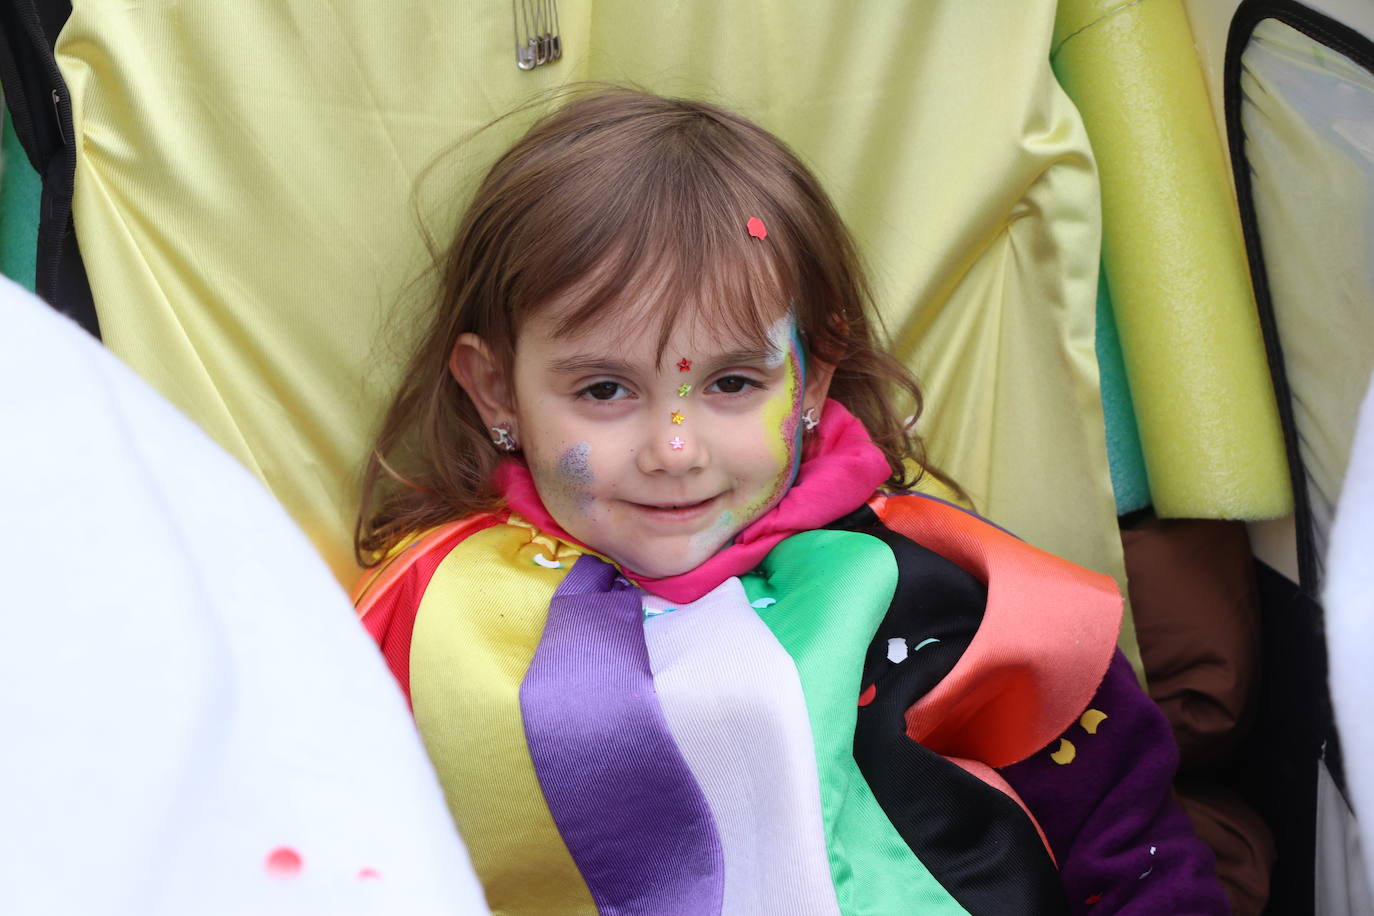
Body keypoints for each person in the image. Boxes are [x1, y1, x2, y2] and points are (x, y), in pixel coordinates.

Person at [353, 87, 1227, 915]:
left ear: (815, 378)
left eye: (733, 382)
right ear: (496, 389)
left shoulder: (951, 590)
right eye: (606, 391)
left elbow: (1131, 840)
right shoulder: (431, 615)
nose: (675, 450)